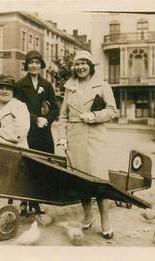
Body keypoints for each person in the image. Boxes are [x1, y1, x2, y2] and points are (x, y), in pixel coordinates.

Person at [57, 50, 117, 239]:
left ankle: (105, 220)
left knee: (99, 181)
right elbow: (63, 116)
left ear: (91, 66)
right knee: (80, 180)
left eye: (84, 63)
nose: (80, 67)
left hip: (95, 137)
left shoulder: (102, 85)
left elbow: (112, 111)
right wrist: (62, 137)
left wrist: (94, 116)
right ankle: (88, 215)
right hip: (74, 138)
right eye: (77, 64)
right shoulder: (69, 87)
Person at [15, 50, 59, 215]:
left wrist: (47, 119)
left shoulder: (47, 85)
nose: (34, 65)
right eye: (31, 62)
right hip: (27, 131)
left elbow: (55, 108)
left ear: (41, 65)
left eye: (37, 62)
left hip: (44, 133)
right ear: (27, 65)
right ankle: (23, 201)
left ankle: (37, 201)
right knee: (26, 166)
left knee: (42, 165)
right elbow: (18, 109)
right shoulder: (20, 85)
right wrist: (36, 120)